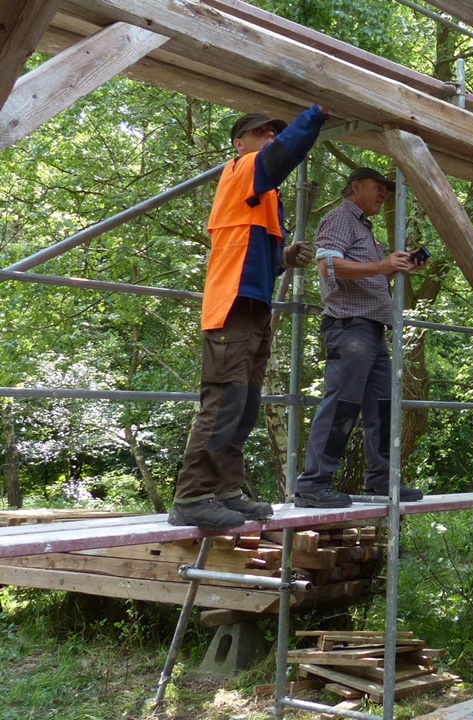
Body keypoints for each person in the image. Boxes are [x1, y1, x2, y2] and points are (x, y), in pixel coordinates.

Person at [168, 106, 327, 530]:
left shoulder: (264, 196)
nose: (271, 137)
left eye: (274, 131)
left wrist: (285, 258)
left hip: (253, 307)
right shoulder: (243, 169)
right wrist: (318, 113)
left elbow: (252, 257)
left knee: (245, 405)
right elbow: (286, 152)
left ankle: (224, 491)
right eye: (261, 133)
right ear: (240, 143)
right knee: (223, 402)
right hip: (232, 306)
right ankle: (192, 496)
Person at [293, 168, 429, 508]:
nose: (384, 194)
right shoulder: (340, 218)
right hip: (349, 325)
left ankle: (381, 480)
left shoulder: (365, 229)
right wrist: (383, 267)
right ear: (356, 187)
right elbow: (327, 267)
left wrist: (398, 267)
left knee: (381, 406)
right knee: (342, 403)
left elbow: (368, 273)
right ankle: (314, 483)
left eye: (387, 190)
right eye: (378, 187)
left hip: (371, 327)